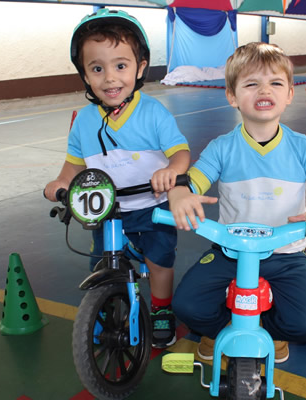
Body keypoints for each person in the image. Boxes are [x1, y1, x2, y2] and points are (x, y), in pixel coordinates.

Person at [167, 42, 306, 363]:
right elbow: (193, 179)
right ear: (232, 96)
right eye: (251, 83)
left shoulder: (303, 148)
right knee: (186, 305)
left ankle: (270, 332)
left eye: (275, 83)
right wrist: (181, 192)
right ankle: (221, 329)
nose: (263, 90)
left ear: (290, 94)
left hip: (285, 255)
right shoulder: (221, 147)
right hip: (230, 253)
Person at [43, 8, 190, 349]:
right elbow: (73, 167)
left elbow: (180, 154)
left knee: (159, 260)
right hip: (107, 211)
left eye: (120, 66)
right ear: (85, 75)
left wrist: (172, 171)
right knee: (102, 261)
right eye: (97, 68)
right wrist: (60, 184)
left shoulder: (153, 112)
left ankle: (162, 308)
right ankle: (106, 305)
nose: (110, 78)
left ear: (140, 68)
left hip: (151, 206)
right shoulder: (83, 121)